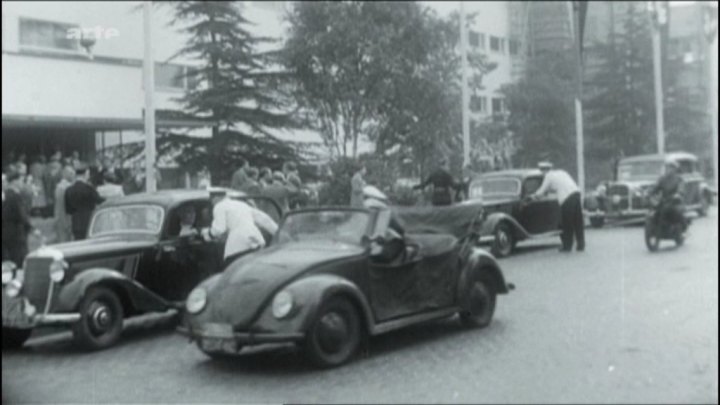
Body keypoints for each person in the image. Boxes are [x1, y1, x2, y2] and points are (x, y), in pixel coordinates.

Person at [203, 189, 278, 267]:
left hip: (238, 247)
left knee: (235, 272)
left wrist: (207, 234)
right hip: (257, 241)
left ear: (215, 198)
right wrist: (278, 232)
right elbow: (264, 219)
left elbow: (219, 229)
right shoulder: (241, 204)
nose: (212, 203)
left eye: (211, 200)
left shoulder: (219, 206)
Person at [531, 161, 585, 252]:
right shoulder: (562, 172)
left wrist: (533, 196)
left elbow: (541, 191)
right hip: (576, 193)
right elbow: (561, 185)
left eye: (542, 171)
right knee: (578, 221)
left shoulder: (548, 176)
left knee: (567, 223)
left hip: (566, 198)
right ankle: (581, 244)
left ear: (543, 170)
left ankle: (567, 246)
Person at [2, 172, 38, 267]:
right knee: (20, 261)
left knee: (8, 260)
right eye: (21, 181)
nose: (23, 183)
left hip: (5, 233)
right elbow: (21, 215)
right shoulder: (15, 196)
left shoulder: (5, 195)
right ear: (15, 181)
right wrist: (32, 229)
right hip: (17, 234)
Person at [65, 165, 104, 240]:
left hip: (75, 223)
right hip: (88, 221)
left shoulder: (68, 190)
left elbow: (68, 210)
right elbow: (99, 201)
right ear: (86, 174)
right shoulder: (89, 189)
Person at [649, 160, 685, 226]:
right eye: (667, 167)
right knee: (654, 213)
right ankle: (656, 229)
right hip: (664, 201)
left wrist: (678, 194)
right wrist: (650, 192)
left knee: (679, 212)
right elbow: (656, 188)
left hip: (675, 201)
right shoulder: (662, 179)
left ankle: (684, 229)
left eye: (671, 168)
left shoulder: (679, 179)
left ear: (675, 169)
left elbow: (681, 188)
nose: (669, 169)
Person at [54, 166, 76, 243]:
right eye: (71, 173)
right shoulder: (67, 187)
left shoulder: (59, 186)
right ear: (66, 174)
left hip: (59, 218)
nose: (73, 175)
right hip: (66, 218)